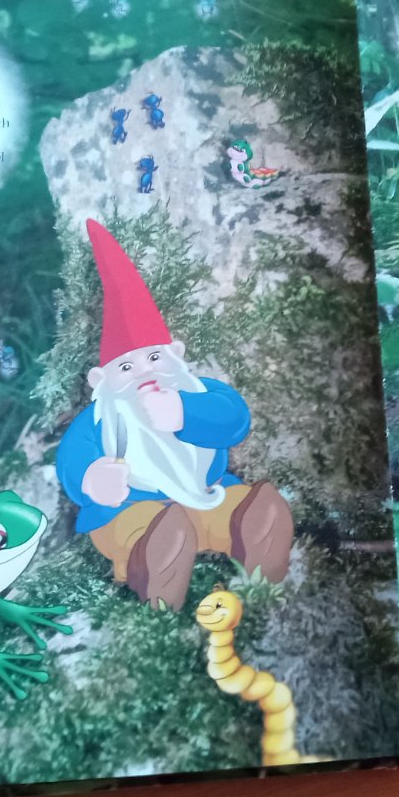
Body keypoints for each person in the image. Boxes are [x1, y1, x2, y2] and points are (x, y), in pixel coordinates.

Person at [56, 220, 294, 611]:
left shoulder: (197, 391)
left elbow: (234, 418)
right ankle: (154, 568)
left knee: (237, 509)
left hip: (209, 494)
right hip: (130, 510)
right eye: (127, 367)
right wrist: (91, 479)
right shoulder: (101, 418)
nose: (145, 372)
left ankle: (258, 544)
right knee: (140, 530)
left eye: (154, 357)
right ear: (101, 380)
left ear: (176, 354)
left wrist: (185, 413)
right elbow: (73, 455)